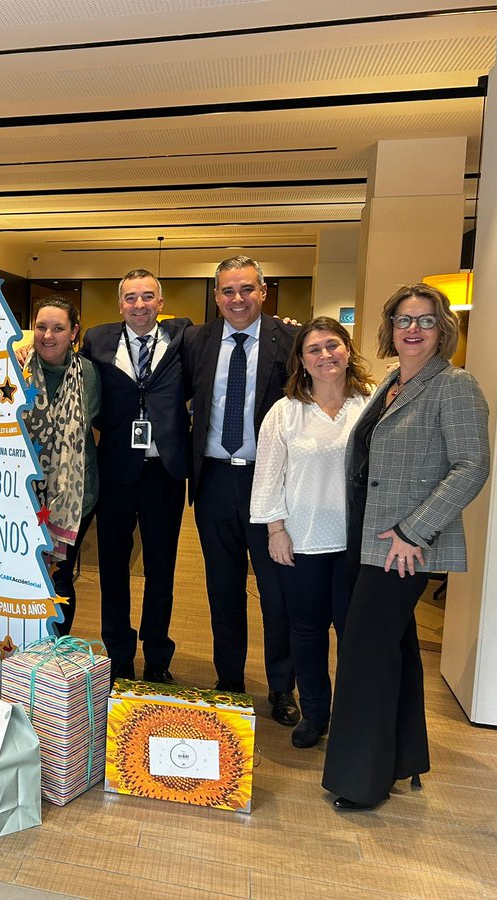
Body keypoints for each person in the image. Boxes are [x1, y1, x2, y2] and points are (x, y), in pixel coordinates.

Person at [323, 284, 488, 810]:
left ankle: (361, 782)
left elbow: (472, 466)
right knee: (394, 648)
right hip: (367, 539)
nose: (412, 329)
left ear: (444, 329)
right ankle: (403, 759)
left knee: (364, 656)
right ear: (389, 328)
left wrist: (415, 530)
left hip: (405, 546)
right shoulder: (393, 381)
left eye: (425, 320)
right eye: (402, 319)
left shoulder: (455, 385)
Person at [184, 256, 301, 725]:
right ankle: (229, 679)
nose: (237, 299)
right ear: (216, 296)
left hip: (269, 482)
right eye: (228, 291)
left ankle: (281, 687)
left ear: (264, 290)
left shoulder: (291, 340)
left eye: (246, 289)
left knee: (277, 593)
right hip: (213, 480)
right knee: (222, 589)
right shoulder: (197, 339)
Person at [250, 318, 373, 748]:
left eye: (332, 346)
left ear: (347, 351)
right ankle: (316, 714)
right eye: (314, 350)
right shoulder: (285, 412)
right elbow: (267, 477)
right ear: (301, 361)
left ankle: (352, 720)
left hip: (357, 543)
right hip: (301, 539)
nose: (325, 356)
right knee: (306, 630)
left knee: (354, 634)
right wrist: (275, 529)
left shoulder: (371, 405)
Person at [81, 271, 191, 680]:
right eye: (131, 298)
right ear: (119, 304)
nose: (139, 305)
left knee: (161, 568)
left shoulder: (183, 337)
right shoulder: (97, 339)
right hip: (116, 471)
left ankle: (158, 657)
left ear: (161, 303)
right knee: (112, 567)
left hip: (164, 471)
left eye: (148, 297)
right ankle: (119, 656)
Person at [20, 296, 101, 636]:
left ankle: (56, 650)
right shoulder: (15, 370)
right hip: (22, 493)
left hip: (74, 497)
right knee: (23, 572)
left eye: (58, 328)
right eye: (41, 327)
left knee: (60, 575)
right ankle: (21, 649)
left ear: (74, 332)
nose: (48, 335)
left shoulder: (90, 375)